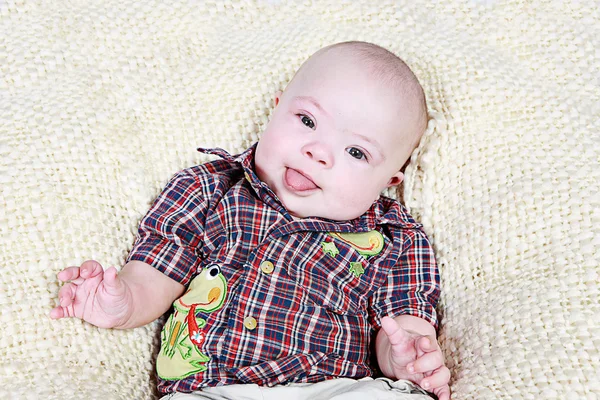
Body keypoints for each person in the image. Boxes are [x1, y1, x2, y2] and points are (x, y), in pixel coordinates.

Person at [50, 41, 450, 400]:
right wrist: (123, 302)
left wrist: (409, 357)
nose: (318, 152)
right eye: (308, 121)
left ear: (389, 181)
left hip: (332, 388)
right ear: (275, 110)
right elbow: (158, 271)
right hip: (210, 387)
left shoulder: (396, 238)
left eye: (356, 152)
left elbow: (403, 325)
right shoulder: (209, 188)